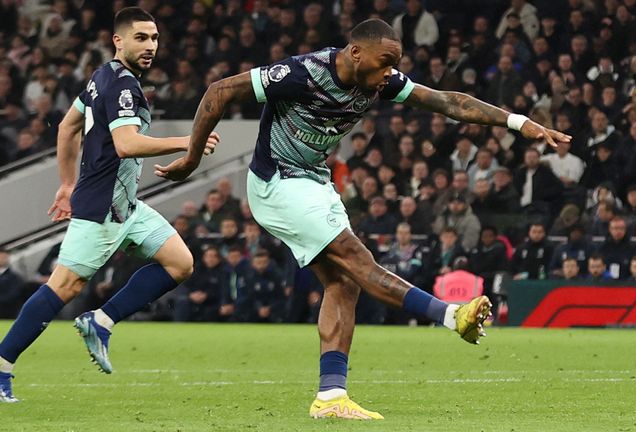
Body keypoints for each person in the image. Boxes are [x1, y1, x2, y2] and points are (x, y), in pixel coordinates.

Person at [154, 18, 570, 419]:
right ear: (355, 53)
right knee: (356, 257)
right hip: (277, 181)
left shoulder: (381, 80)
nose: (391, 72)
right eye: (385, 61)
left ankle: (331, 396)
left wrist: (519, 122)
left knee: (344, 282)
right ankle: (449, 315)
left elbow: (447, 101)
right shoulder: (302, 73)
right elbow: (220, 90)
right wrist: (191, 158)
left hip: (314, 182)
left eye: (395, 62)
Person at [0, 7, 221, 403]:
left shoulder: (103, 76)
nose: (151, 45)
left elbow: (68, 126)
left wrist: (67, 183)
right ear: (118, 40)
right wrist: (189, 140)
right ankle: (1, 364)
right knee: (64, 286)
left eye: (154, 38)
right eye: (141, 38)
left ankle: (100, 320)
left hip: (126, 205)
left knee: (181, 263)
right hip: (102, 207)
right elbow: (126, 144)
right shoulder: (123, 87)